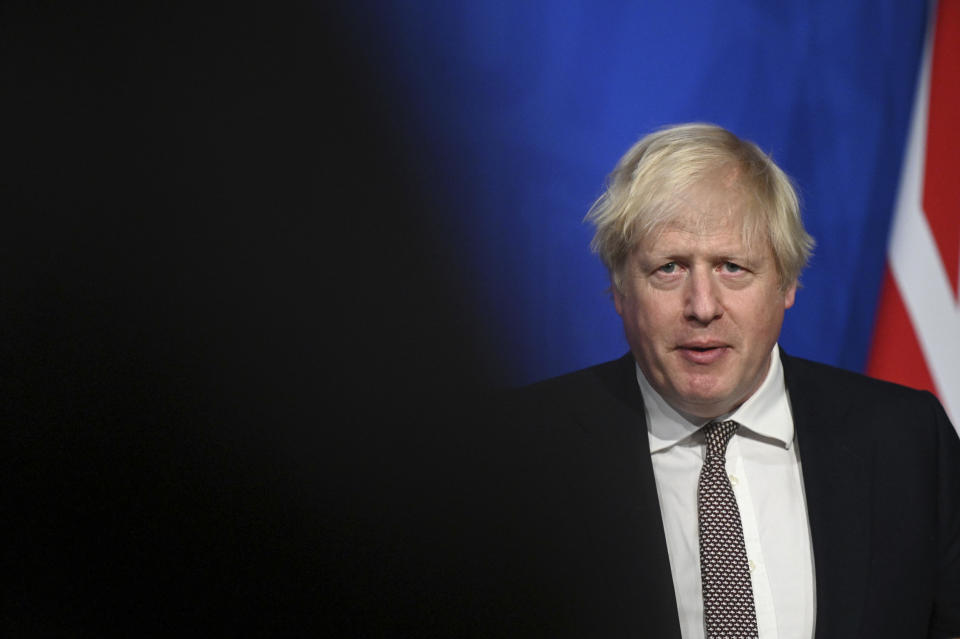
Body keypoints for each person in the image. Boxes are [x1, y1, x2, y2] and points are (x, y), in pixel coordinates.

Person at [475, 123, 960, 639]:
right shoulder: (515, 453)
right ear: (619, 290)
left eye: (732, 267)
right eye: (669, 268)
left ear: (787, 282)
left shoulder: (906, 436)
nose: (702, 306)